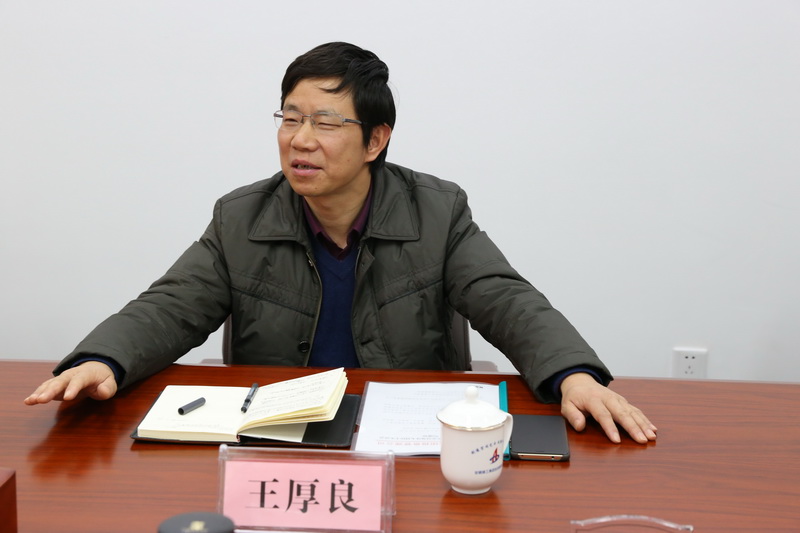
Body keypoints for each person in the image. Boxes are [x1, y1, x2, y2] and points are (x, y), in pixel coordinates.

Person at [25, 42, 656, 445]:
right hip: (279, 437)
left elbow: (504, 298)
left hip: (404, 438)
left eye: (325, 122)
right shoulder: (240, 217)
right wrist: (104, 359)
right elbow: (170, 305)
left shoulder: (437, 211)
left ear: (376, 140)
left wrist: (571, 374)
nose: (300, 139)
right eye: (290, 118)